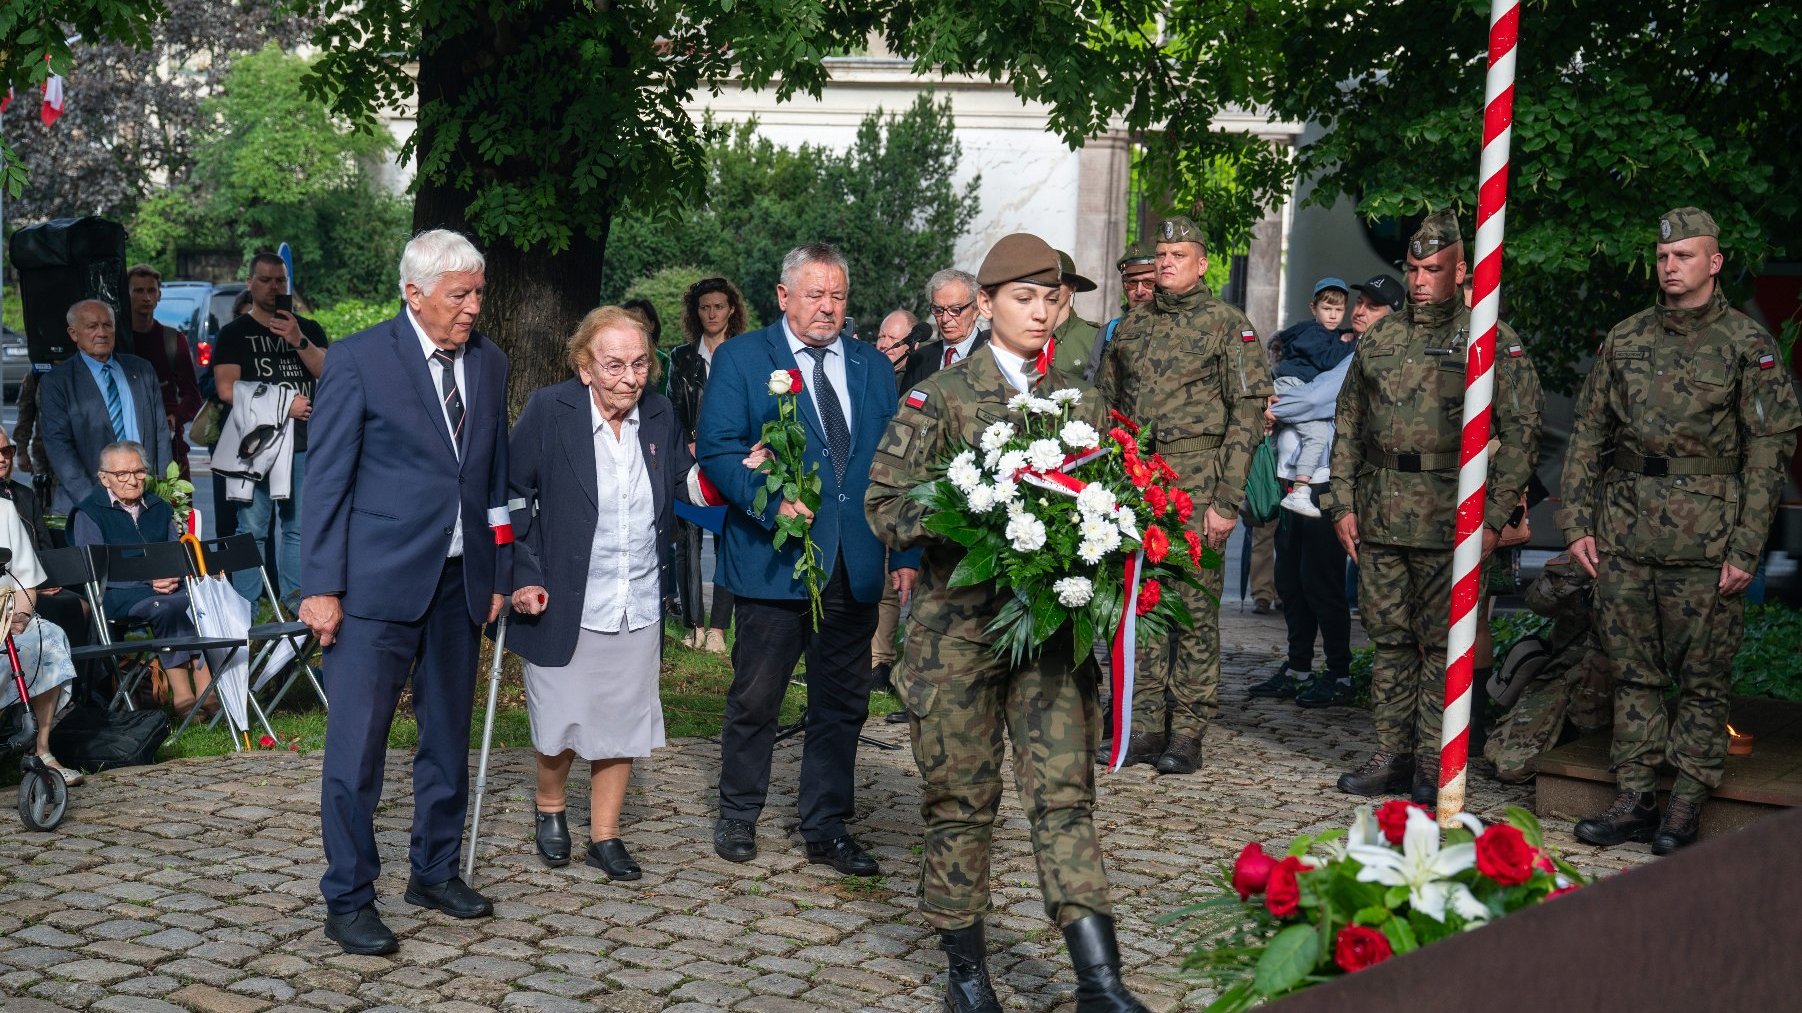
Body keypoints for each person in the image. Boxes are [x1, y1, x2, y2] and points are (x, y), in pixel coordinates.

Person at [868, 232, 1150, 1013]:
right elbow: (884, 504)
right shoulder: (942, 398)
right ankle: (967, 973)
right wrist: (977, 517)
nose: (1042, 311)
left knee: (1065, 797)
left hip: (1050, 641)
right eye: (1024, 297)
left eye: (1052, 297)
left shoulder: (1081, 401)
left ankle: (1100, 981)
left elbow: (1113, 497)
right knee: (962, 800)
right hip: (958, 638)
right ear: (986, 305)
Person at [1562, 207, 1801, 854]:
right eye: (1664, 257)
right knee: (1632, 673)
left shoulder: (1746, 344)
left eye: (1685, 256)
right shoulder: (1627, 338)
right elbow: (1587, 433)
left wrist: (1747, 544)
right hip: (1626, 533)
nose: (1671, 266)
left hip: (1708, 540)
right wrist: (1577, 521)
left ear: (1714, 262)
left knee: (1702, 678)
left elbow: (1767, 452)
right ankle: (1636, 797)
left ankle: (1685, 805)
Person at [301, 230, 511, 956]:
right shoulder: (358, 360)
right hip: (372, 589)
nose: (474, 307)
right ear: (414, 293)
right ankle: (350, 896)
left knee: (446, 740)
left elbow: (491, 481)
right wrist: (321, 586)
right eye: (461, 294)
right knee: (357, 750)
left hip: (459, 586)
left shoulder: (491, 362)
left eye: (479, 292)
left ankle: (435, 870)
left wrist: (498, 575)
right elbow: (325, 480)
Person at [696, 242, 919, 876]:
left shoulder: (874, 367)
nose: (828, 308)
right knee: (756, 697)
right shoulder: (743, 360)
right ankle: (739, 812)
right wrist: (770, 505)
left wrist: (901, 545)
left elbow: (892, 466)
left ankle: (825, 824)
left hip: (854, 562)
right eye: (815, 295)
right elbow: (716, 452)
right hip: (774, 562)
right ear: (783, 296)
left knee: (842, 702)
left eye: (838, 296)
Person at [1328, 210, 1543, 806]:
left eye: (1433, 269)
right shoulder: (1381, 335)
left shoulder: (1489, 335)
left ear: (1460, 271)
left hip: (1452, 516)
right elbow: (1347, 423)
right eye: (1413, 269)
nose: (1420, 280)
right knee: (1390, 639)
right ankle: (1391, 752)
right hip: (1381, 511)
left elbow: (1524, 432)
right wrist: (1341, 502)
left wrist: (1495, 516)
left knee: (1442, 644)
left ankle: (1433, 757)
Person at [507, 307, 726, 879]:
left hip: (636, 596)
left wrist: (734, 471)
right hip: (565, 595)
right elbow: (509, 497)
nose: (630, 378)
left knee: (620, 721)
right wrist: (521, 574)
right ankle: (550, 806)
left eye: (640, 364)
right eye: (614, 365)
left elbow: (684, 482)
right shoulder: (549, 411)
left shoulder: (656, 412)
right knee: (561, 718)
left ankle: (606, 834)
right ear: (585, 368)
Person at [1096, 215, 1274, 775]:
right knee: (1140, 603)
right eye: (1163, 254)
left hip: (1197, 482)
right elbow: (1104, 405)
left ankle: (1188, 728)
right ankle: (1145, 724)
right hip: (1136, 481)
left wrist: (1226, 501)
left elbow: (1247, 417)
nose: (1167, 262)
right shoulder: (1131, 326)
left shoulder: (1229, 326)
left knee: (1193, 609)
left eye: (1179, 255)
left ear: (1201, 263)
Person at [1250, 273, 1399, 706]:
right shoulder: (1345, 346)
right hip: (1295, 476)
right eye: (1360, 301)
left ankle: (1338, 672)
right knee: (1290, 579)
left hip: (1324, 482)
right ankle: (1298, 667)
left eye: (1371, 305)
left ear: (1390, 314)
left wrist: (1271, 406)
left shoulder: (1363, 353)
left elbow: (1319, 400)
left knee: (1322, 581)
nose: (1358, 310)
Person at [68, 441, 213, 719]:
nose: (132, 480)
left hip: (165, 588)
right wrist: (150, 582)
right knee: (168, 605)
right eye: (122, 473)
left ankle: (209, 690)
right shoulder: (89, 513)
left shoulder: (158, 506)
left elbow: (174, 552)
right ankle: (184, 696)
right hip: (114, 594)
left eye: (138, 472)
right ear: (104, 477)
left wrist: (171, 575)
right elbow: (94, 570)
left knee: (199, 600)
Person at [214, 252, 329, 604]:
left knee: (298, 529)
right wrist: (283, 405)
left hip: (304, 444)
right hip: (255, 446)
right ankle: (245, 611)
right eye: (265, 280)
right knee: (251, 530)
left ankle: (295, 609)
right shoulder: (234, 332)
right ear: (250, 283)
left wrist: (298, 340)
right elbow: (227, 389)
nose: (273, 287)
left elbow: (328, 372)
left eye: (279, 280)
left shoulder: (307, 328)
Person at [667, 276, 750, 653]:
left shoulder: (747, 354)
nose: (712, 313)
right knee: (687, 541)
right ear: (695, 311)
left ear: (732, 309)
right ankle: (695, 626)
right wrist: (689, 446)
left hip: (736, 459)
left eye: (719, 306)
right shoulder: (681, 358)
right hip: (690, 461)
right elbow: (673, 412)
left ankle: (719, 629)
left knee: (730, 540)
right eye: (704, 306)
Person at [40, 300, 173, 516]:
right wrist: (96, 504)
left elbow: (161, 435)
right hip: (89, 506)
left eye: (107, 325)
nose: (102, 332)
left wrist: (163, 493)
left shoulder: (142, 370)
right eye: (92, 326)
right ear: (74, 334)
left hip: (147, 501)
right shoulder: (57, 382)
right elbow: (59, 447)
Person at [0, 494, 84, 786]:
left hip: (5, 618)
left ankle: (42, 750)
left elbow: (26, 581)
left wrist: (19, 617)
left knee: (47, 636)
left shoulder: (5, 509)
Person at [1271, 278, 1355, 518]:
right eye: (1326, 309)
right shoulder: (1310, 334)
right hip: (1291, 387)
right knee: (1316, 436)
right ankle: (1299, 490)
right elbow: (1327, 358)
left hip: (1295, 387)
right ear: (1313, 308)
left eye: (1339, 310)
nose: (1332, 315)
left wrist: (1344, 335)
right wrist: (1354, 343)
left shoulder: (1323, 333)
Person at [124, 265, 204, 479]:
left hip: (171, 446)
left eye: (151, 291)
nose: (146, 297)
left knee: (178, 511)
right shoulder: (117, 342)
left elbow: (192, 395)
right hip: (125, 446)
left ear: (159, 295)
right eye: (138, 291)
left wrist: (173, 418)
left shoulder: (173, 339)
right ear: (126, 294)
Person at [902, 269, 987, 391]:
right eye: (938, 310)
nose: (945, 319)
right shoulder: (919, 359)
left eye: (955, 310)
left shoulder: (994, 358)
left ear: (976, 310)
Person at [1042, 249, 1100, 379]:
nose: (1048, 289)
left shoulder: (1094, 338)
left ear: (1072, 287)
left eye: (1056, 282)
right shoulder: (1024, 333)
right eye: (1042, 283)